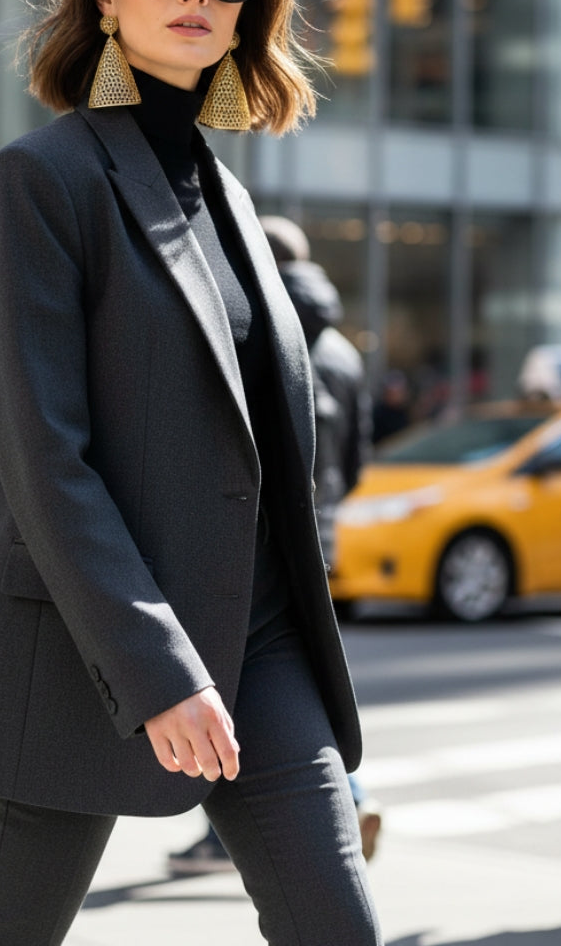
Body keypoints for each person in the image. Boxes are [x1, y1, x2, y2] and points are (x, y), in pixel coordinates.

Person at [0, 0, 382, 945]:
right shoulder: (41, 180)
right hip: (93, 644)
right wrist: (155, 668)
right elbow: (43, 457)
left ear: (246, 7)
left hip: (260, 638)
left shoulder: (226, 196)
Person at [169, 218, 381, 876]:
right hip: (320, 532)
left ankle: (285, 814)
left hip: (251, 534)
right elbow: (358, 453)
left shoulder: (250, 321)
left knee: (226, 678)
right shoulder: (344, 351)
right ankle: (346, 795)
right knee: (294, 672)